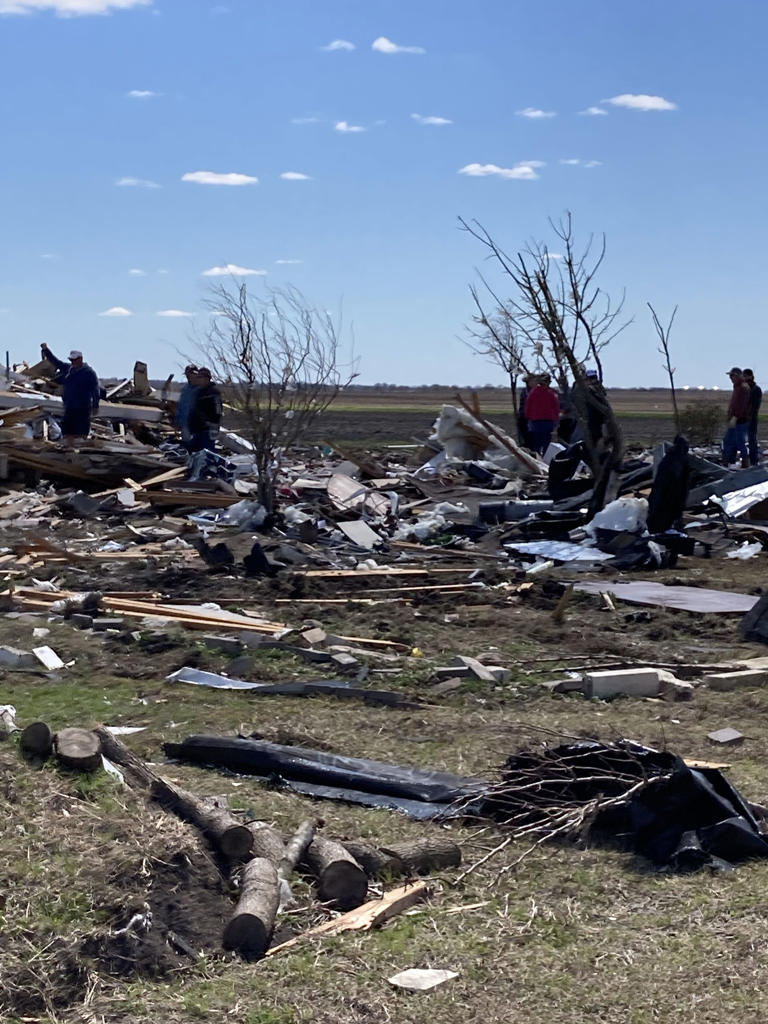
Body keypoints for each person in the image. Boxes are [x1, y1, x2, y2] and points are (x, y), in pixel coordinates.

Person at [40, 343, 100, 446]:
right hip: (69, 406)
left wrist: (95, 405)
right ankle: (69, 450)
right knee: (68, 432)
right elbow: (56, 362)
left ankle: (80, 450)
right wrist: (46, 350)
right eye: (71, 360)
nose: (72, 362)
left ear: (80, 359)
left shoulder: (89, 373)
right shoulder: (68, 369)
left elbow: (95, 390)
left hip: (83, 407)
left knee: (81, 432)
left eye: (75, 360)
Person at [187, 367, 223, 452]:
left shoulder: (214, 392)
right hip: (196, 429)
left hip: (208, 430)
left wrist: (211, 423)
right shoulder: (197, 392)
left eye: (200, 377)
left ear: (207, 378)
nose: (198, 380)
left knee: (208, 452)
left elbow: (218, 411)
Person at [524, 373, 560, 456]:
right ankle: (544, 460)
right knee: (546, 443)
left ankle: (536, 460)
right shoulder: (551, 393)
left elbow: (528, 407)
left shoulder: (533, 392)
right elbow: (556, 408)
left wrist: (528, 418)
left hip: (535, 422)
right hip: (547, 422)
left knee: (536, 443)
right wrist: (556, 422)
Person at [722, 366, 751, 467]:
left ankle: (745, 463)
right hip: (736, 419)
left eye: (732, 376)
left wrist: (735, 417)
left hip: (740, 420)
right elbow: (734, 404)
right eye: (729, 376)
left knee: (738, 442)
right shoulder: (737, 387)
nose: (730, 378)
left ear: (737, 376)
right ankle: (730, 462)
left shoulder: (742, 388)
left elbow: (741, 405)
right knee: (731, 441)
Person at [176, 364, 199, 448]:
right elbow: (180, 405)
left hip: (197, 424)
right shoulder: (185, 389)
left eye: (190, 374)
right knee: (187, 445)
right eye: (187, 375)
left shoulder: (201, 389)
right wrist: (178, 420)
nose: (188, 376)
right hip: (185, 423)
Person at [743, 368, 762, 466]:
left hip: (751, 419)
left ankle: (754, 461)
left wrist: (749, 416)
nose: (744, 378)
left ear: (750, 376)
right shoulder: (745, 388)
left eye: (746, 376)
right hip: (744, 418)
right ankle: (748, 461)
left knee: (752, 440)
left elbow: (755, 406)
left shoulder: (755, 389)